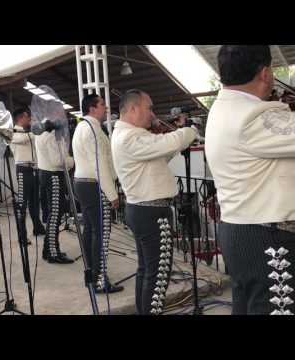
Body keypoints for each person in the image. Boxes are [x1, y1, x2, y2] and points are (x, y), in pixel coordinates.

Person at [205, 45, 295, 315]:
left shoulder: (225, 108)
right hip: (265, 237)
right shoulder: (252, 116)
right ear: (265, 73)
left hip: (243, 230)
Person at [111, 89, 197, 315]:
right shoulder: (130, 137)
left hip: (144, 210)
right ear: (132, 109)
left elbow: (158, 156)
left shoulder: (131, 135)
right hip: (151, 213)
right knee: (158, 274)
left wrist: (174, 139)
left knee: (147, 270)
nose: (152, 114)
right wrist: (189, 130)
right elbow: (167, 144)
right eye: (148, 108)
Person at [72, 94, 123, 294]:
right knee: (101, 233)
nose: (106, 108)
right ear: (92, 108)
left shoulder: (82, 126)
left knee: (91, 231)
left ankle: (92, 275)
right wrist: (112, 194)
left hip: (84, 183)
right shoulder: (91, 129)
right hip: (93, 184)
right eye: (102, 105)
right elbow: (99, 163)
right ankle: (100, 281)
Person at [35, 114, 75, 264]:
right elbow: (58, 161)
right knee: (55, 215)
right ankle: (52, 252)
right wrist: (72, 160)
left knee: (54, 214)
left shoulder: (40, 133)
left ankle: (49, 249)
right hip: (54, 175)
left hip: (46, 174)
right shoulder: (51, 135)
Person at [10, 107, 45, 245]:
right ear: (21, 118)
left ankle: (37, 227)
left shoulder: (27, 132)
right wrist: (37, 129)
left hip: (33, 170)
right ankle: (22, 235)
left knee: (34, 203)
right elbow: (23, 140)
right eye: (28, 117)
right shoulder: (12, 132)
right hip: (23, 170)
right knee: (22, 205)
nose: (30, 119)